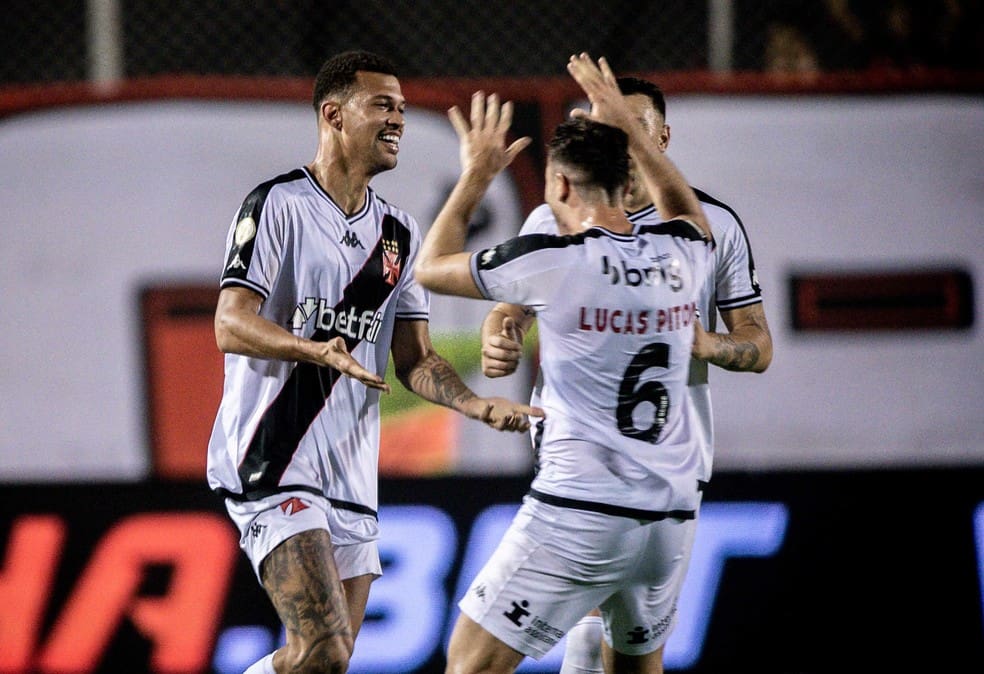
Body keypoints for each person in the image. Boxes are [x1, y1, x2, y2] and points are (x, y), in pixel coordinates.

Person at [204, 50, 540, 674]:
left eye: (404, 109)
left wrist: (474, 404)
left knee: (326, 661)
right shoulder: (277, 204)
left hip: (351, 473)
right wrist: (313, 349)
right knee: (325, 647)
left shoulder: (398, 235)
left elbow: (414, 359)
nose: (399, 121)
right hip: (275, 455)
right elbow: (229, 323)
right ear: (333, 114)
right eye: (383, 105)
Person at [415, 53, 715, 674]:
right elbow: (686, 210)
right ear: (629, 183)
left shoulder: (554, 256)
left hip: (581, 508)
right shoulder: (682, 253)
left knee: (469, 662)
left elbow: (430, 267)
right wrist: (633, 134)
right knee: (631, 667)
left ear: (557, 188)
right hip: (669, 516)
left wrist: (475, 176)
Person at [479, 76, 773, 674]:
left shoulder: (711, 227)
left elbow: (757, 344)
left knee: (612, 656)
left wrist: (703, 340)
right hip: (579, 464)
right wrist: (499, 332)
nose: (614, 139)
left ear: (662, 136)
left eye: (630, 127)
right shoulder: (554, 215)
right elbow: (511, 309)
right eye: (602, 128)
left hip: (665, 468)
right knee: (594, 642)